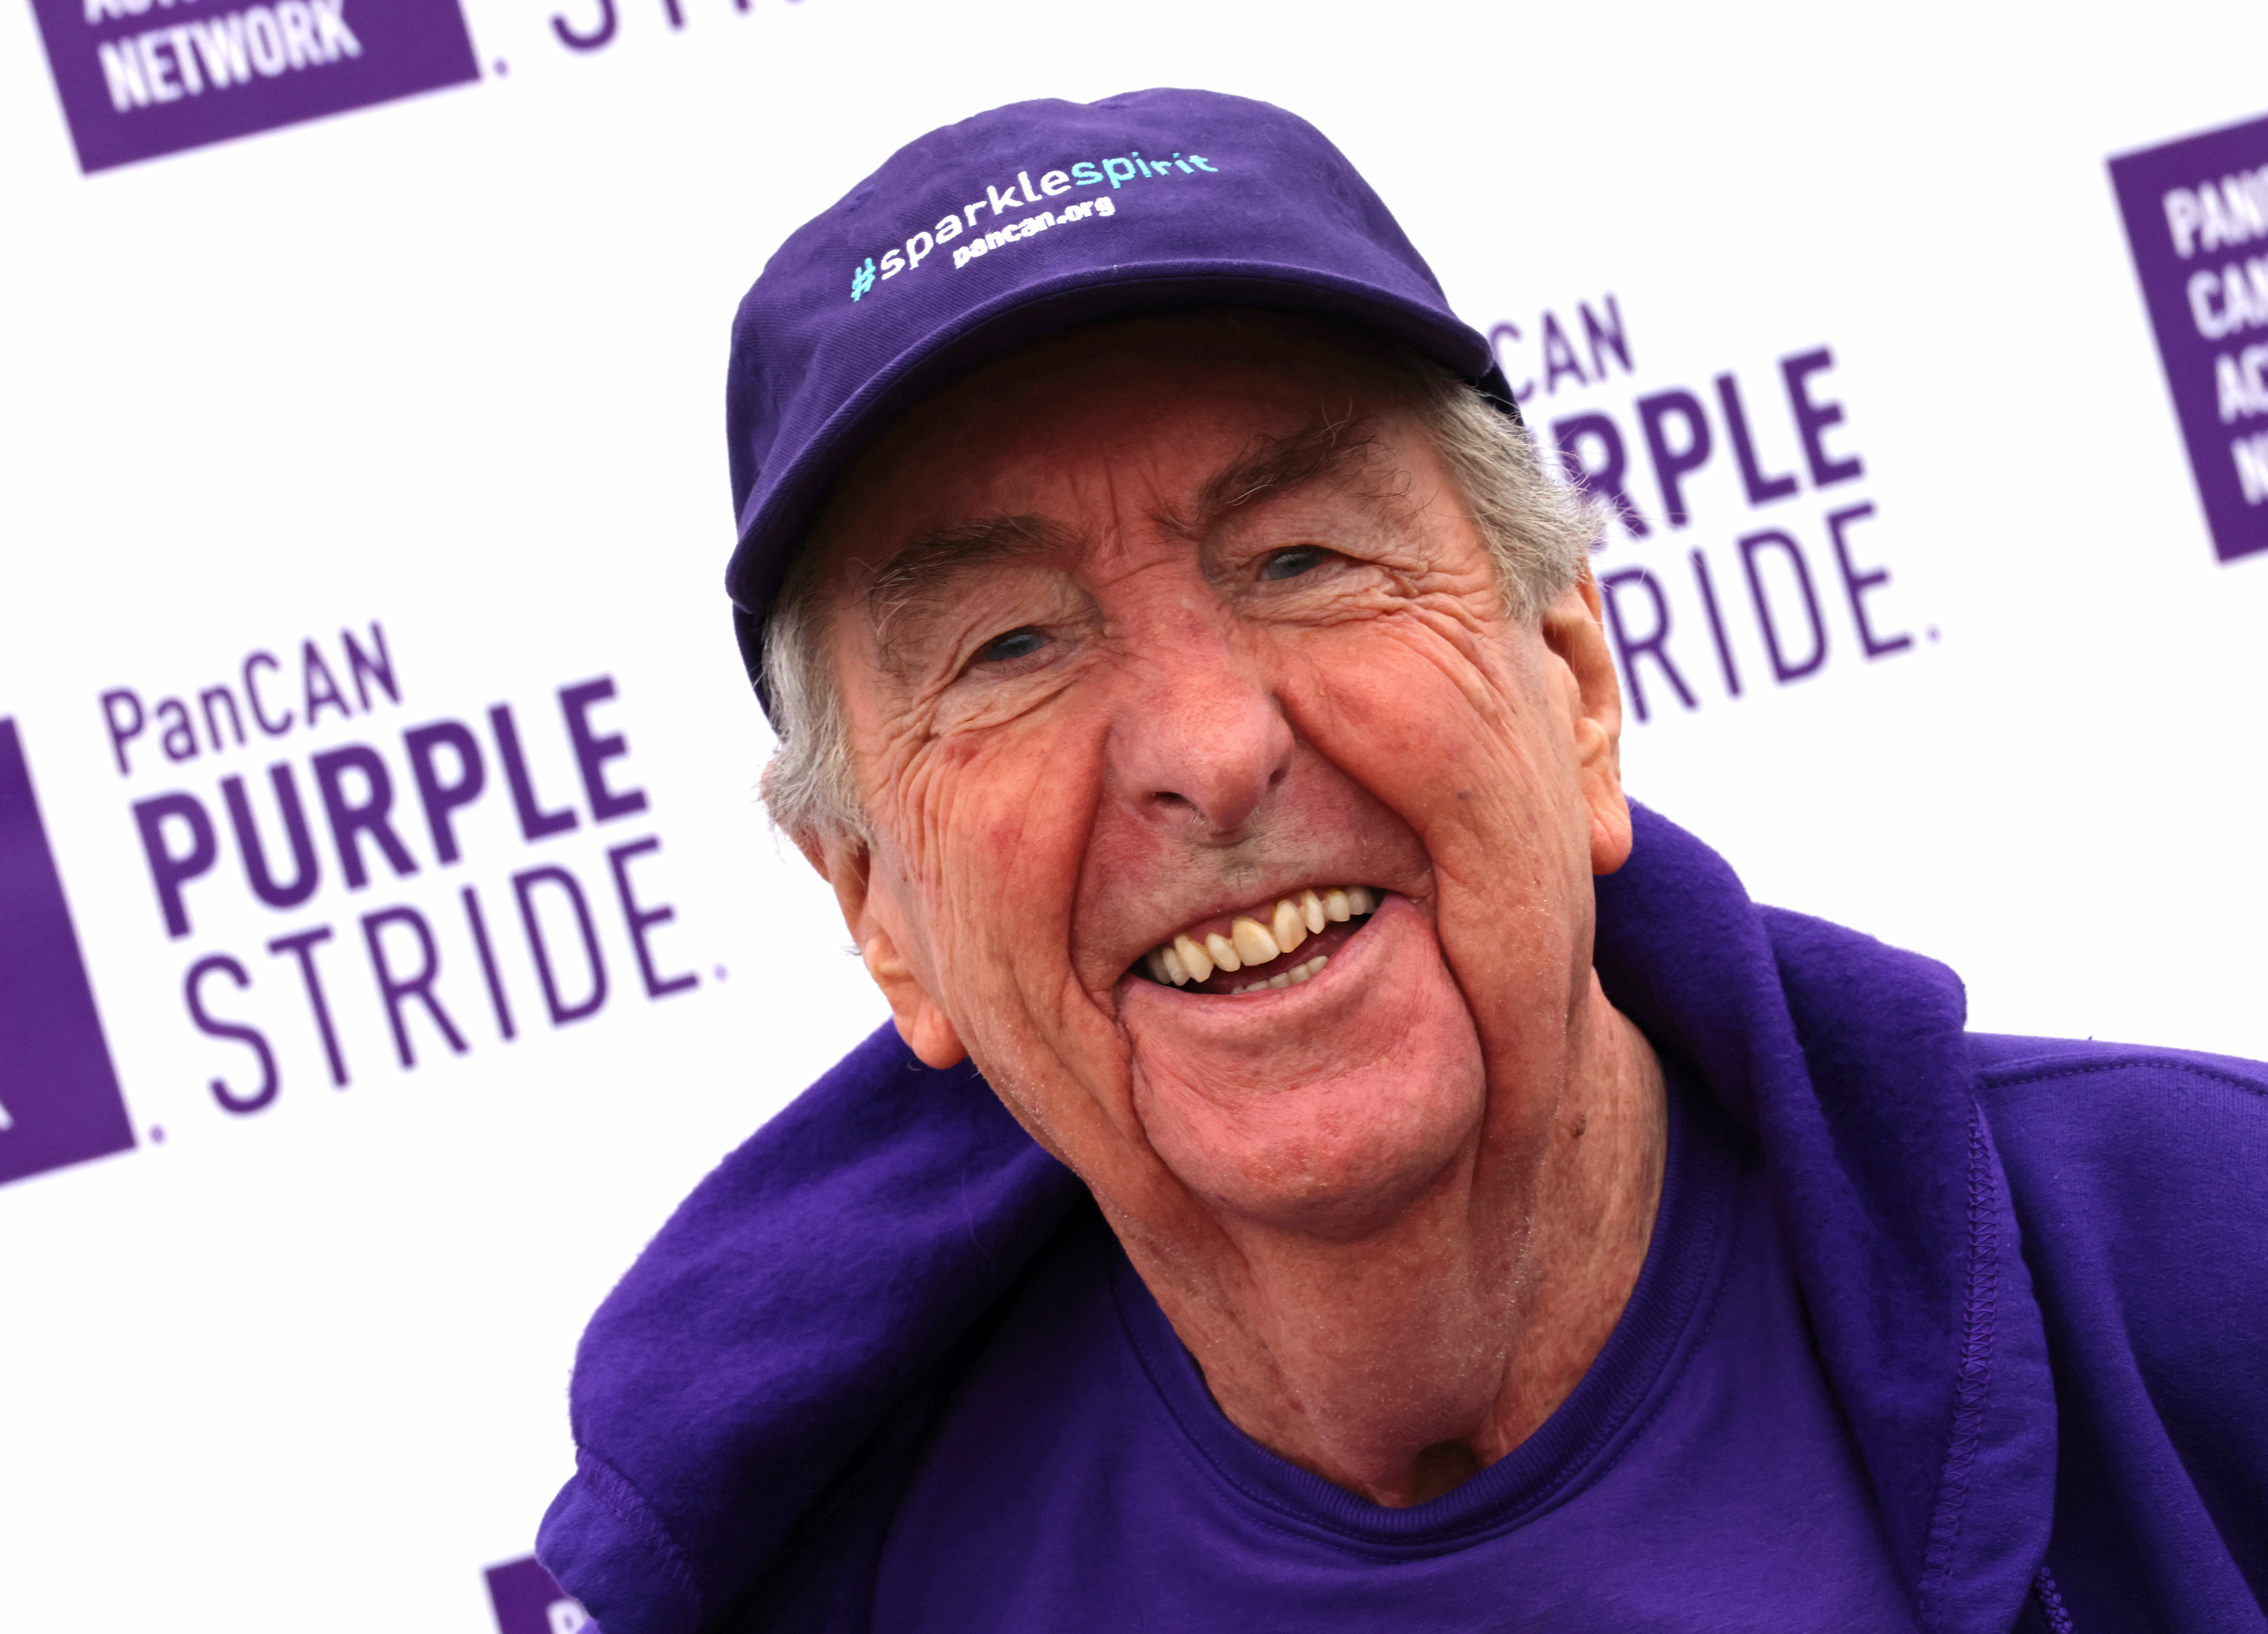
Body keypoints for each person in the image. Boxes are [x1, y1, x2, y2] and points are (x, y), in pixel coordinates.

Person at [536, 89, 2268, 1634]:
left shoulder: (2191, 1261)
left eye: (1300, 555)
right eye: (1007, 649)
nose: (1209, 753)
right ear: (875, 913)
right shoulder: (814, 1574)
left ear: (1574, 688)